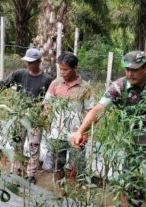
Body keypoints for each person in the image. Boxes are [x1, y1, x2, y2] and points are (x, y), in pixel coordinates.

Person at [70, 51, 146, 205]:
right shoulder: (119, 86)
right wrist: (80, 131)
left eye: (134, 69)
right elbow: (98, 109)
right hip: (131, 142)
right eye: (127, 69)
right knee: (131, 182)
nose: (129, 73)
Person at [0, 48, 53, 184]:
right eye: (27, 62)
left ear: (39, 62)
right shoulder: (19, 74)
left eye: (31, 62)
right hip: (19, 116)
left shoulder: (47, 80)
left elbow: (48, 102)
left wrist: (44, 116)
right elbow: (1, 84)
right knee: (17, 144)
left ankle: (31, 174)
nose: (28, 64)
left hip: (35, 119)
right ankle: (16, 171)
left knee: (34, 146)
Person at [42, 52, 94, 180]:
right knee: (57, 166)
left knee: (77, 166)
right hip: (57, 133)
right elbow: (47, 104)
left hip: (76, 135)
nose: (62, 72)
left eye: (65, 69)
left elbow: (91, 111)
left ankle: (74, 194)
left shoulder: (85, 88)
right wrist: (46, 123)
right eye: (60, 69)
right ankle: (59, 191)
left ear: (75, 68)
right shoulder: (55, 84)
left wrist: (85, 133)